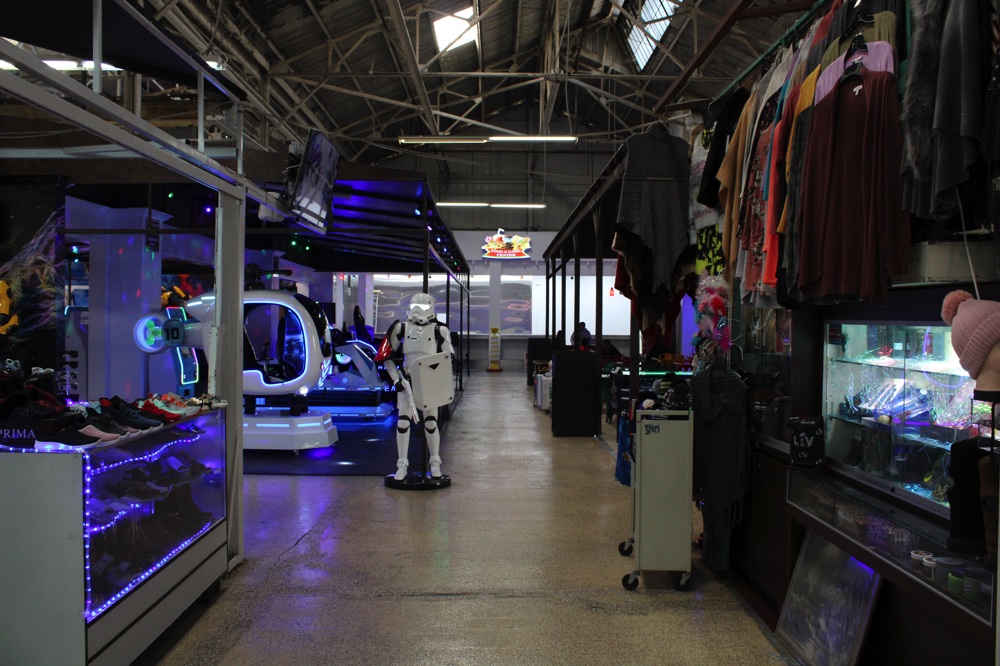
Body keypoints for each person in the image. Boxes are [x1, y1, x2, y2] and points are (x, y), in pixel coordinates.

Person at [377, 293, 455, 480]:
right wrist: (396, 379)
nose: (419, 311)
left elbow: (448, 357)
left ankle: (435, 462)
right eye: (415, 307)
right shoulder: (401, 328)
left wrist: (437, 377)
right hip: (407, 379)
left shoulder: (439, 330)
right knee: (403, 422)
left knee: (431, 422)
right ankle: (402, 464)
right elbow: (385, 356)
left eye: (424, 307)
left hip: (429, 379)